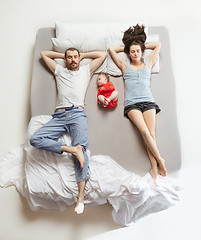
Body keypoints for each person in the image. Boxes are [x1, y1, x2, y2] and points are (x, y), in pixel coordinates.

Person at [30, 47, 106, 214]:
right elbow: (44, 54)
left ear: (79, 58)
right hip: (59, 115)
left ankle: (80, 198)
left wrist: (83, 55)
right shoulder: (60, 71)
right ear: (65, 60)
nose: (72, 60)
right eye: (69, 57)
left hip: (77, 113)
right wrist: (63, 56)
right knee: (35, 139)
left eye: (75, 57)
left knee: (82, 152)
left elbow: (103, 54)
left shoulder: (86, 70)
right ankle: (72, 149)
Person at [109, 24, 167, 184]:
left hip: (148, 102)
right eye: (132, 51)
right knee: (145, 132)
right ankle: (160, 160)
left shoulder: (148, 62)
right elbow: (111, 49)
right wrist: (128, 46)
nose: (135, 53)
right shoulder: (124, 65)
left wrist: (140, 44)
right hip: (132, 104)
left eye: (138, 51)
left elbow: (158, 45)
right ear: (128, 53)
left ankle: (154, 169)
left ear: (142, 52)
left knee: (152, 135)